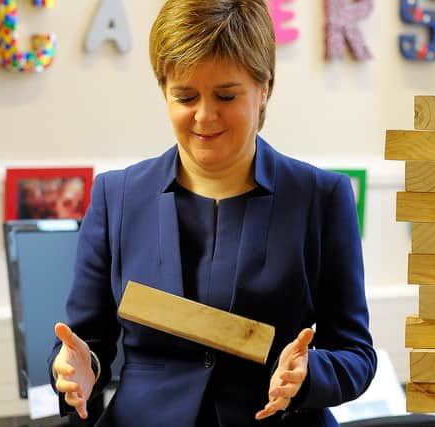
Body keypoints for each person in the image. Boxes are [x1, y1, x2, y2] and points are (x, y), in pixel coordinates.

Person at [48, 0, 377, 425]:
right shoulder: (117, 195)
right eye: (185, 96)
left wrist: (310, 374)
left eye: (226, 95)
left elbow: (356, 354)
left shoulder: (322, 196)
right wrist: (76, 368)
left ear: (265, 88)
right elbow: (85, 342)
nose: (205, 116)